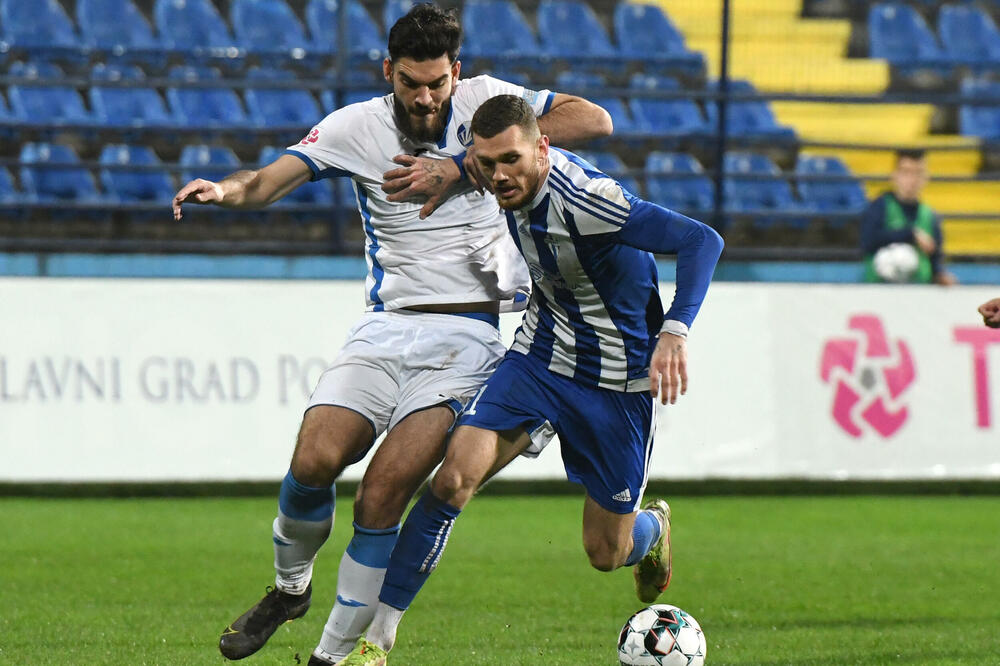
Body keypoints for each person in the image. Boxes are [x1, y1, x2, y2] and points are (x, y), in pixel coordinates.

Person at [170, 5, 613, 665]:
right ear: (389, 73)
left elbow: (593, 119)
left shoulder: (488, 101)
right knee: (314, 459)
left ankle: (331, 655)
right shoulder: (356, 127)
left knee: (383, 492)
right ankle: (290, 590)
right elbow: (265, 181)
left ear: (455, 73)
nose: (426, 97)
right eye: (412, 83)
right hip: (384, 329)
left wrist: (463, 167)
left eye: (437, 82)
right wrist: (227, 191)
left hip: (468, 336)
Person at [336, 94, 724, 665]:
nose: (499, 177)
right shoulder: (497, 173)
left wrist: (676, 331)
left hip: (616, 383)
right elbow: (469, 167)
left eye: (511, 161)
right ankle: (379, 641)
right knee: (451, 481)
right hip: (539, 359)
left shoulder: (589, 201)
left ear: (544, 146)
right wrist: (449, 173)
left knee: (604, 552)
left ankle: (650, 531)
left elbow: (701, 240)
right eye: (487, 164)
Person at [860, 148, 957, 285]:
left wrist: (940, 275)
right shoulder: (879, 207)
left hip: (920, 293)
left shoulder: (930, 216)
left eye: (918, 173)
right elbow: (868, 242)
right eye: (906, 172)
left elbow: (935, 258)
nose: (912, 180)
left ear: (925, 178)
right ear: (895, 175)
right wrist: (910, 234)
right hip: (879, 289)